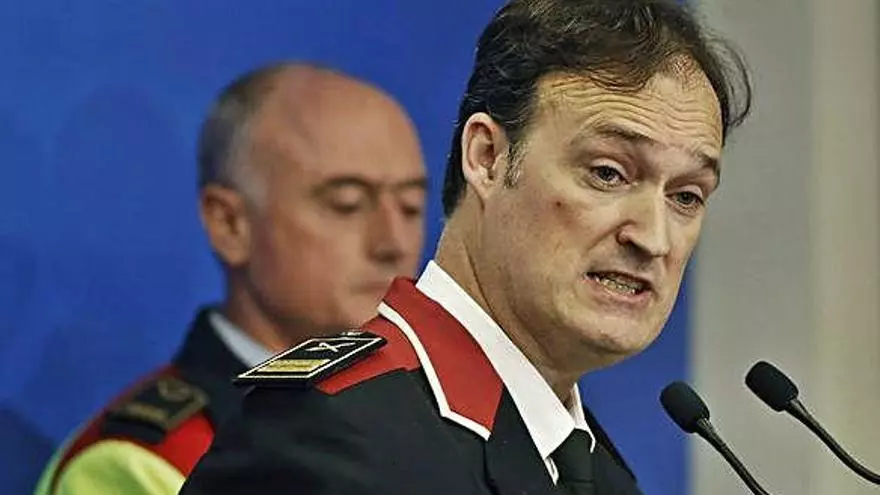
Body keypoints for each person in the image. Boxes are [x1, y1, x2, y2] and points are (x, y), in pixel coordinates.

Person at [181, 0, 752, 493]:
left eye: (686, 196)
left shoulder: (598, 472)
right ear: (487, 157)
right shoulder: (326, 439)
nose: (652, 238)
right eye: (607, 173)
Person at [32, 63, 428, 495]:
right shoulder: (138, 463)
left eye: (411, 207)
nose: (393, 243)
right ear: (229, 224)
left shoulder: (438, 421)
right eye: (347, 204)